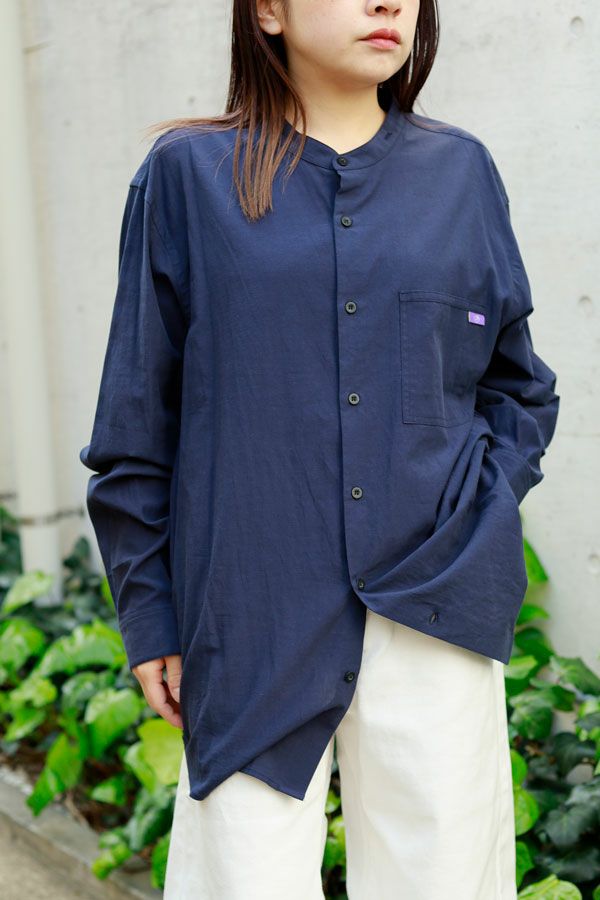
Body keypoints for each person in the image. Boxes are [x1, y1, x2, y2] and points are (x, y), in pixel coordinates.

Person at [79, 0, 561, 897]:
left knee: (443, 881)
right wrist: (152, 614)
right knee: (245, 875)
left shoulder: (460, 173)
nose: (388, 4)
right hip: (249, 613)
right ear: (267, 9)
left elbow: (516, 386)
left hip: (436, 602)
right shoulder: (188, 177)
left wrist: (478, 512)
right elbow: (136, 423)